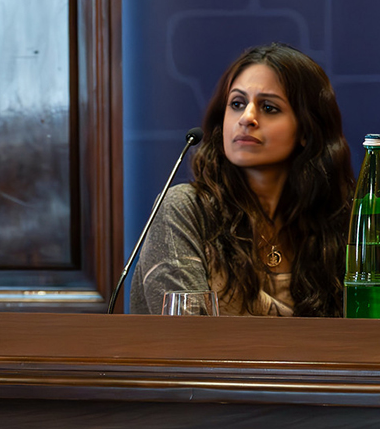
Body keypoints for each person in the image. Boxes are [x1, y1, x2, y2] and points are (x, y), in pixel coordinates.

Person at [130, 43, 356, 316]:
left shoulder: (340, 220)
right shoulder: (186, 209)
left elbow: (367, 335)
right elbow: (186, 340)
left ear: (306, 130)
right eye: (237, 104)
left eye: (269, 108)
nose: (247, 118)